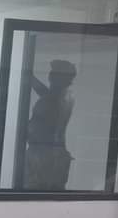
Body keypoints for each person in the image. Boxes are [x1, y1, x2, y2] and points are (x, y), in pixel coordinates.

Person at [23, 59, 77, 191]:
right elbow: (47, 94)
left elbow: (48, 99)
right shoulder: (64, 96)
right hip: (50, 153)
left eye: (53, 74)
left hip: (44, 156)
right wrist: (31, 79)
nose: (50, 76)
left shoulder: (54, 100)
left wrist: (30, 78)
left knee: (35, 195)